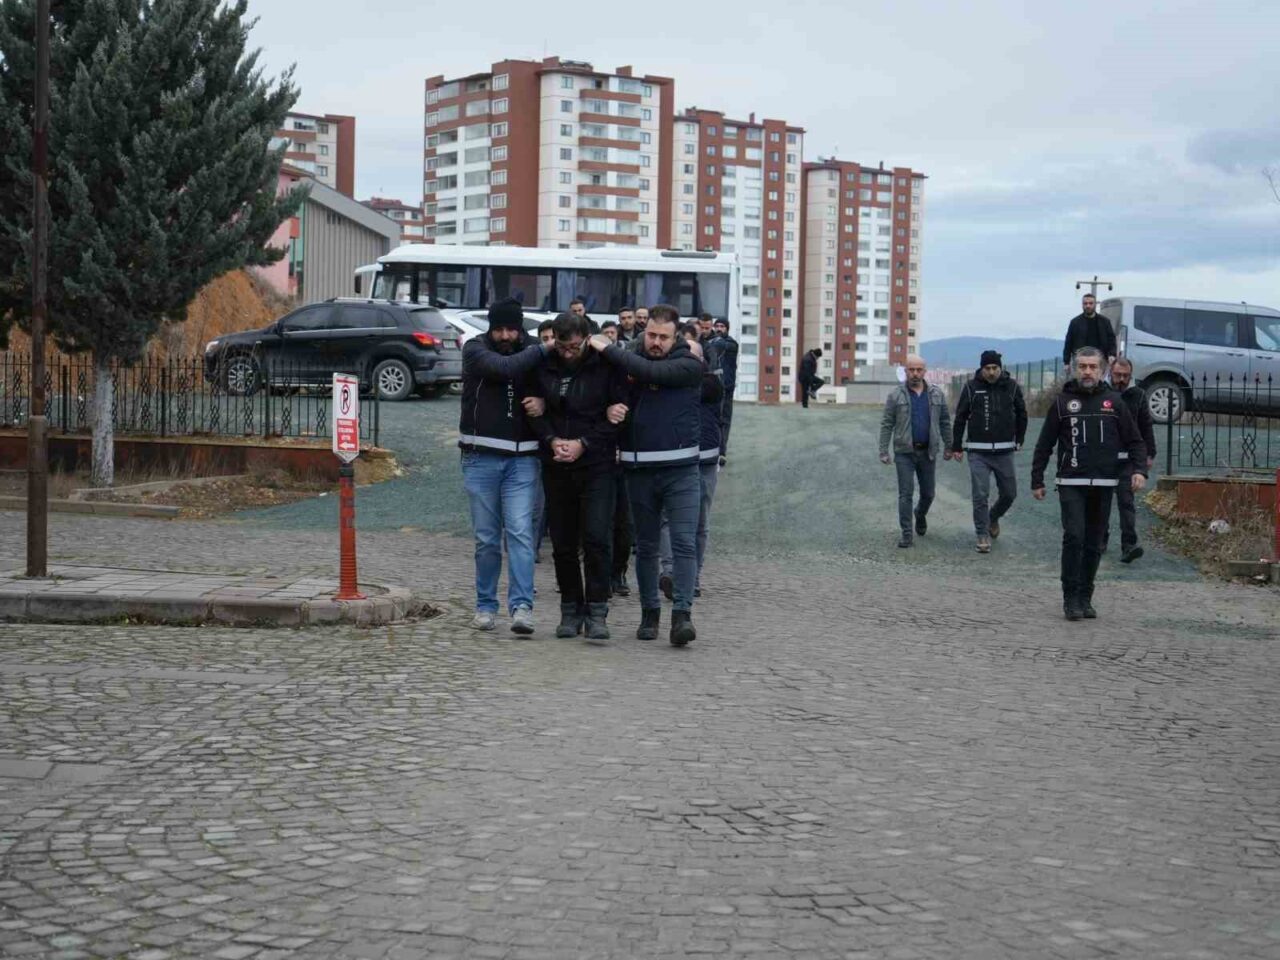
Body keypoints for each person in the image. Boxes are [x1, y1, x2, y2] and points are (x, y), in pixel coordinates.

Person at [587, 305, 703, 646]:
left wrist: (608, 348)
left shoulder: (688, 365)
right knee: (648, 547)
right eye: (651, 334)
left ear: (676, 337)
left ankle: (682, 615)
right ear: (644, 331)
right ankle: (649, 614)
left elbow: (651, 372)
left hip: (682, 469)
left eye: (663, 337)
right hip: (639, 469)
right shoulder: (628, 362)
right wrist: (611, 408)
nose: (656, 342)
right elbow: (606, 393)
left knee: (684, 544)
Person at [523, 313, 630, 643]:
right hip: (556, 461)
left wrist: (584, 443)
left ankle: (597, 610)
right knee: (563, 542)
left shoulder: (606, 365)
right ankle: (570, 608)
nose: (568, 353)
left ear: (587, 339)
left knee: (597, 537)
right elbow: (530, 411)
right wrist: (551, 439)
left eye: (574, 347)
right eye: (562, 346)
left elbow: (618, 416)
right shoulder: (543, 365)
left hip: (597, 462)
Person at [1031, 347, 1148, 620]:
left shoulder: (1114, 402)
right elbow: (1044, 444)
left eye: (1092, 367)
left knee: (1094, 542)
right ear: (1075, 369)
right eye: (1082, 366)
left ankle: (1085, 597)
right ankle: (1070, 598)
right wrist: (1037, 479)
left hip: (1104, 482)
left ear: (1102, 370)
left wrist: (1139, 470)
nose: (1087, 371)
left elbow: (1135, 440)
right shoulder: (1062, 403)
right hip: (1071, 481)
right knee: (1074, 536)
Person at [458, 298, 551, 634]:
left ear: (520, 327)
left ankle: (522, 607)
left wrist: (545, 401)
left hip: (523, 459)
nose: (506, 335)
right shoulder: (475, 348)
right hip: (480, 456)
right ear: (490, 327)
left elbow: (556, 387)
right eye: (499, 329)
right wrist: (543, 350)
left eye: (512, 329)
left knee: (521, 534)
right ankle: (485, 606)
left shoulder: (536, 351)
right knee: (486, 538)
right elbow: (503, 368)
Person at [658, 335, 723, 599]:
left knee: (699, 522)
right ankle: (670, 572)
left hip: (704, 460)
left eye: (692, 356)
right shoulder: (667, 379)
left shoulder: (710, 383)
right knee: (667, 519)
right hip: (674, 458)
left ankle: (692, 577)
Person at [951, 350, 1028, 553]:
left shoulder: (1012, 387)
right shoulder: (971, 387)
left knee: (1010, 494)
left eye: (995, 368)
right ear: (981, 369)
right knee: (980, 494)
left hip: (1004, 451)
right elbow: (960, 417)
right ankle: (982, 534)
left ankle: (993, 517)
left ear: (1000, 368)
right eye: (987, 368)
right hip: (978, 452)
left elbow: (1022, 413)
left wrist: (1020, 438)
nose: (991, 372)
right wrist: (956, 445)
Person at [878, 355, 953, 548]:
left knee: (929, 493)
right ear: (906, 371)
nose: (915, 373)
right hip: (904, 452)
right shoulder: (896, 395)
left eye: (919, 370)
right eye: (911, 370)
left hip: (928, 452)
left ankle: (920, 513)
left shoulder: (936, 394)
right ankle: (907, 534)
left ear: (925, 372)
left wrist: (949, 446)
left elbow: (945, 421)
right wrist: (883, 450)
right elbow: (887, 423)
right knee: (906, 494)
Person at [1108, 357, 1157, 563]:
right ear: (1110, 373)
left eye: (1125, 376)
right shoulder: (1102, 393)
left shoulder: (1138, 395)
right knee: (1100, 504)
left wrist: (1149, 454)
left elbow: (1146, 425)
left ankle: (1129, 545)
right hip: (1103, 458)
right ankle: (1099, 540)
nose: (1121, 379)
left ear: (1130, 376)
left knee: (1126, 503)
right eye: (1117, 375)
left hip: (1128, 458)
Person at [532, 319, 558, 563]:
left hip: (563, 441)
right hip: (539, 444)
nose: (550, 343)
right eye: (545, 339)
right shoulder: (534, 366)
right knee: (536, 503)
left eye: (553, 338)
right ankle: (531, 548)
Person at [1062, 293, 1117, 371]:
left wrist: (1112, 354)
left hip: (1100, 361)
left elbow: (1111, 339)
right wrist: (1066, 362)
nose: (1088, 306)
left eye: (1091, 303)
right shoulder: (1075, 322)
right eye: (1085, 303)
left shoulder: (1105, 322)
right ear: (1082, 305)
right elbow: (1068, 343)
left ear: (1095, 304)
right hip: (1080, 361)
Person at [710, 318, 738, 465]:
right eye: (717, 326)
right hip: (713, 386)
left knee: (724, 420)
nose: (719, 329)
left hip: (726, 387)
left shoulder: (731, 344)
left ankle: (721, 452)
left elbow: (721, 345)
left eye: (722, 326)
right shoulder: (712, 342)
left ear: (727, 328)